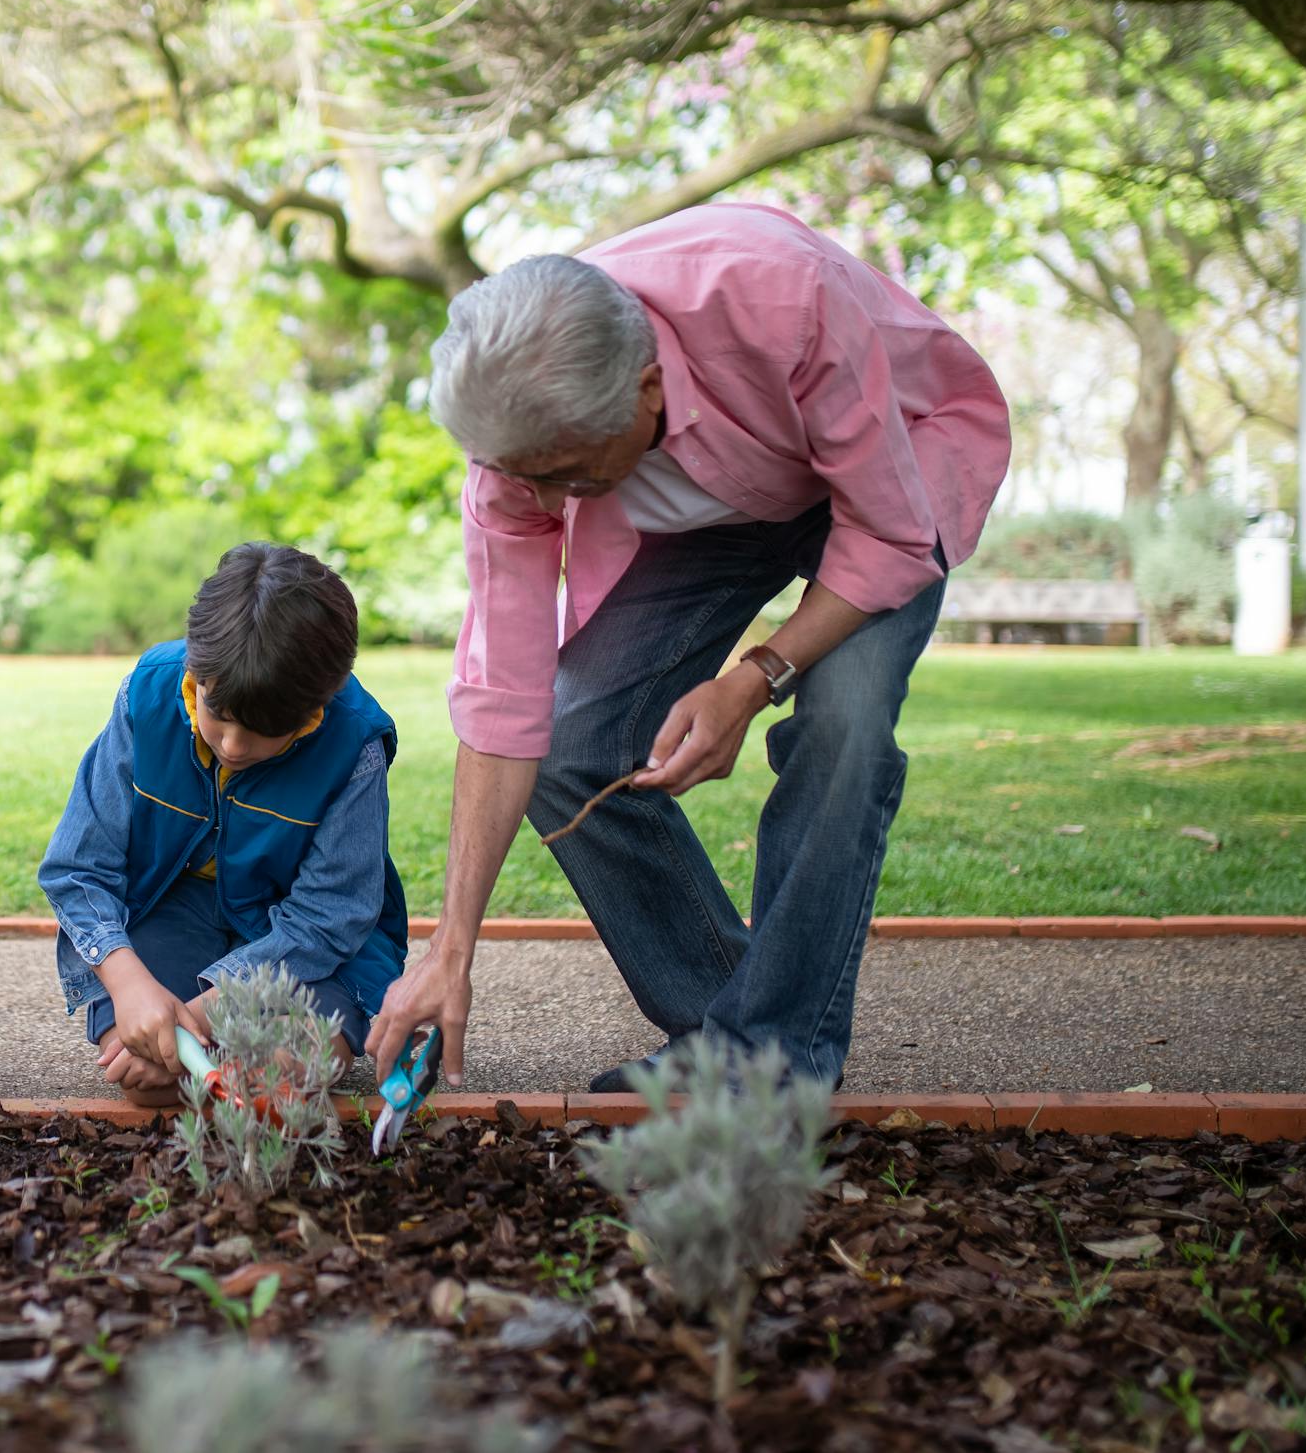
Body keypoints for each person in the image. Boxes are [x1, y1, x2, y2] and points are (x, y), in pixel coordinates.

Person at [368, 203, 1010, 1095]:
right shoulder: (518, 449)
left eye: (568, 476)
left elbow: (892, 536)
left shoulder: (779, 297)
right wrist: (451, 947)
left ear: (648, 388)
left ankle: (774, 1062)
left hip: (891, 470)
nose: (542, 498)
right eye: (528, 477)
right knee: (571, 737)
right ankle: (734, 1041)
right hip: (720, 510)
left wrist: (752, 679)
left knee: (845, 722)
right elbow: (503, 697)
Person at [37, 543, 409, 1103]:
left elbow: (329, 916)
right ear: (195, 676)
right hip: (172, 909)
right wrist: (132, 987)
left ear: (317, 707)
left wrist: (198, 1015)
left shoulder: (355, 744)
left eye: (264, 731)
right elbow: (78, 868)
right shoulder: (147, 693)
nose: (234, 745)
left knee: (278, 1076)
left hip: (304, 944)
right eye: (219, 715)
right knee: (148, 1077)